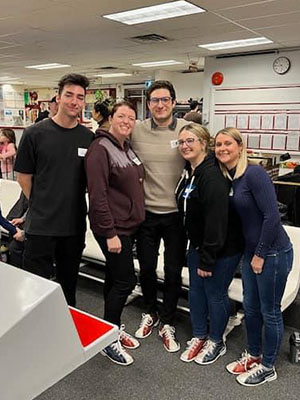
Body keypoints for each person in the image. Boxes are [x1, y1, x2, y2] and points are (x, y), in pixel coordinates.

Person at [215, 127, 293, 387]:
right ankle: (254, 354)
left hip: (272, 252)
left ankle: (268, 365)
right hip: (251, 253)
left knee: (269, 311)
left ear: (240, 146)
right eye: (218, 144)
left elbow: (272, 216)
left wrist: (259, 254)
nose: (222, 148)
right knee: (250, 307)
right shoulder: (232, 177)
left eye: (228, 143)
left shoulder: (254, 173)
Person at [14, 73, 93, 306]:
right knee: (34, 285)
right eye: (69, 95)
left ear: (83, 102)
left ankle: (65, 331)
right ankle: (33, 332)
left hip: (73, 226)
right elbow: (23, 177)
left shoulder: (88, 138)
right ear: (58, 97)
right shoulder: (34, 134)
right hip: (41, 226)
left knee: (68, 286)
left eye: (80, 97)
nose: (74, 101)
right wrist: (40, 202)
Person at [175, 123, 243, 364]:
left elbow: (216, 221)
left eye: (190, 140)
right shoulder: (190, 170)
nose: (185, 145)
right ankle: (199, 335)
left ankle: (216, 340)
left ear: (204, 143)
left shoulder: (212, 174)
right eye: (181, 141)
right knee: (195, 291)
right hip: (197, 245)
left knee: (214, 293)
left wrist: (207, 257)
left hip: (220, 249)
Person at [85, 101, 145, 366]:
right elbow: (97, 196)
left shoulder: (126, 147)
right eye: (121, 116)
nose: (127, 121)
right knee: (125, 281)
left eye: (131, 118)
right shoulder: (100, 148)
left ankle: (110, 328)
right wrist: (110, 233)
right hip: (112, 228)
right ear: (111, 118)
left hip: (126, 226)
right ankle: (108, 340)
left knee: (114, 277)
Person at [131, 80, 187, 352]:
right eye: (155, 100)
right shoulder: (137, 130)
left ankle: (168, 321)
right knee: (147, 267)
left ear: (174, 103)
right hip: (147, 214)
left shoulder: (187, 131)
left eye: (165, 99)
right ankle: (150, 311)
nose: (160, 105)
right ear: (148, 103)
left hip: (177, 215)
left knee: (174, 271)